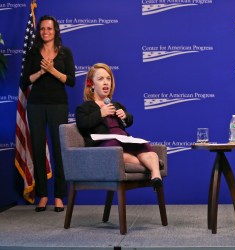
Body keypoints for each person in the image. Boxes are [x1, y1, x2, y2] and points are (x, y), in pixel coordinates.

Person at [75, 63, 163, 191]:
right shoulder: (85, 107)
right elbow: (82, 124)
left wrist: (125, 116)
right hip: (104, 145)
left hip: (123, 140)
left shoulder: (116, 104)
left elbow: (129, 121)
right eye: (100, 79)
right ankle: (152, 166)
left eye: (108, 78)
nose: (106, 83)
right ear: (92, 84)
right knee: (118, 154)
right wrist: (101, 113)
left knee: (147, 150)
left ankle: (156, 177)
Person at [21, 15, 76, 212]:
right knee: (37, 149)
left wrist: (52, 70)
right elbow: (24, 81)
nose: (45, 32)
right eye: (42, 29)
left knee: (59, 151)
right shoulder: (33, 53)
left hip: (58, 105)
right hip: (36, 105)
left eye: (49, 29)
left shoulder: (64, 53)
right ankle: (43, 196)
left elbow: (71, 81)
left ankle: (59, 196)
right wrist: (42, 72)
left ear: (55, 31)